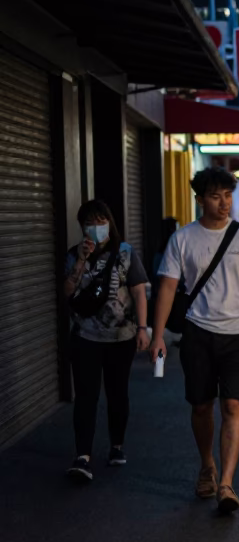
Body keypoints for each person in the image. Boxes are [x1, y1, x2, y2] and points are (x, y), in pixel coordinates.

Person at [150, 167, 239, 514]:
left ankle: (226, 483)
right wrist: (157, 335)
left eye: (227, 195)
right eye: (215, 196)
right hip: (198, 332)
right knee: (201, 406)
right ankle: (207, 463)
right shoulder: (183, 239)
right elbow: (166, 287)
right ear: (199, 200)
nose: (224, 203)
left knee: (233, 406)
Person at [62, 200, 150, 481]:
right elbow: (66, 291)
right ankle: (82, 457)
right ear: (82, 226)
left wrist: (143, 328)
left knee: (117, 393)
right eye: (90, 222)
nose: (96, 227)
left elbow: (138, 292)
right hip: (85, 336)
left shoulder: (125, 253)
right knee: (85, 396)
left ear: (109, 223)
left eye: (101, 221)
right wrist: (81, 261)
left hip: (120, 336)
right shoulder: (74, 254)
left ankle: (117, 445)